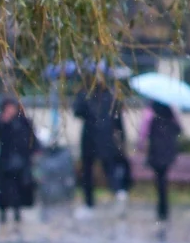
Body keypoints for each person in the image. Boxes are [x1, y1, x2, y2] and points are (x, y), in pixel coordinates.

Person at [73, 76, 129, 211]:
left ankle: (93, 201)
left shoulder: (88, 94)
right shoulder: (109, 96)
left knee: (98, 167)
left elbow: (78, 111)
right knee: (104, 167)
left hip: (94, 137)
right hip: (102, 137)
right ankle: (116, 192)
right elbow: (118, 120)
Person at [0, 96, 39, 223]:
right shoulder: (2, 121)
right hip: (5, 161)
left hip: (21, 161)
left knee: (19, 189)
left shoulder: (24, 121)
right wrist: (2, 121)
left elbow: (32, 139)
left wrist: (34, 152)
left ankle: (17, 212)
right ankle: (3, 213)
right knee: (3, 189)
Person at [142, 101, 182, 221]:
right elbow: (178, 129)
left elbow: (144, 131)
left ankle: (161, 208)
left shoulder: (150, 112)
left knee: (159, 180)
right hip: (167, 152)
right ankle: (163, 208)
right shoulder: (170, 112)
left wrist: (141, 144)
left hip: (156, 151)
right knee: (162, 179)